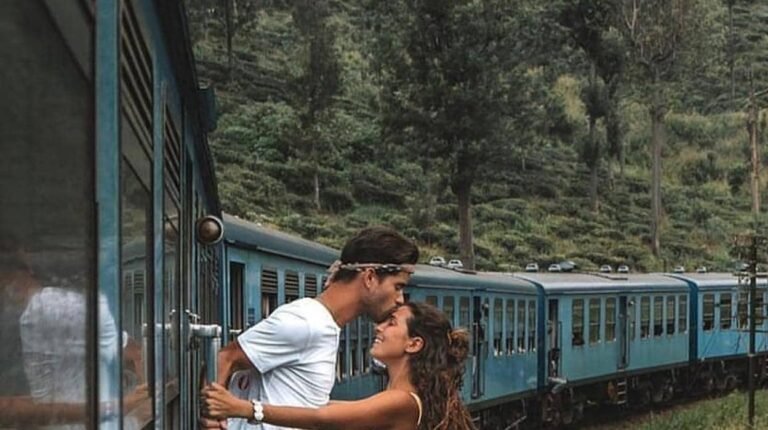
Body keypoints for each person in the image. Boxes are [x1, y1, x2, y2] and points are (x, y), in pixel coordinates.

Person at [201, 227, 419, 430]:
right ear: (370, 278)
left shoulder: (325, 326)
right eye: (398, 286)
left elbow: (314, 411)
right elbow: (226, 357)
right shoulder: (307, 322)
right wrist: (213, 419)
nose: (400, 299)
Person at [202, 301, 476, 430]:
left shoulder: (402, 401)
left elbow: (322, 418)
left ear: (414, 344)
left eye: (391, 323)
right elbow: (317, 406)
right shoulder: (395, 398)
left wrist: (244, 408)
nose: (379, 327)